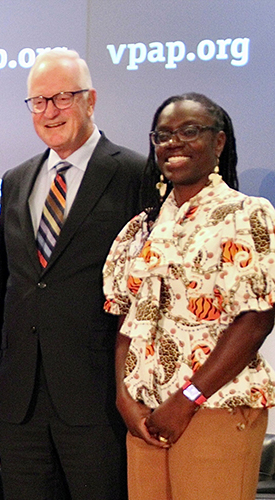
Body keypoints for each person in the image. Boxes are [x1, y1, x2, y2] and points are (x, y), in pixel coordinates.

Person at [0, 48, 146, 499]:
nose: (50, 111)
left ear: (90, 100)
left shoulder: (133, 173)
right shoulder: (15, 180)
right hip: (21, 403)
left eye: (63, 98)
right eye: (39, 101)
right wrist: (2, 376)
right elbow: (6, 286)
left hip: (97, 398)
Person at [103, 93, 275, 500]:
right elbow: (126, 323)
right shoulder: (139, 229)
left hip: (215, 407)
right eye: (162, 136)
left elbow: (256, 320)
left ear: (219, 143)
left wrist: (186, 400)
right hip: (145, 418)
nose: (173, 143)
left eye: (189, 131)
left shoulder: (248, 214)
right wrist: (124, 399)